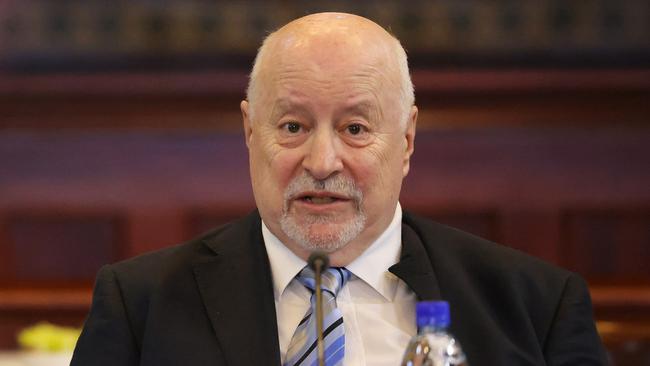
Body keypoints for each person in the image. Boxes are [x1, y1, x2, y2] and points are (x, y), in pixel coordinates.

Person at [71, 12, 607, 365]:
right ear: (249, 132)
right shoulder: (138, 303)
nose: (323, 162)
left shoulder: (536, 307)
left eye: (355, 128)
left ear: (407, 140)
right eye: (292, 127)